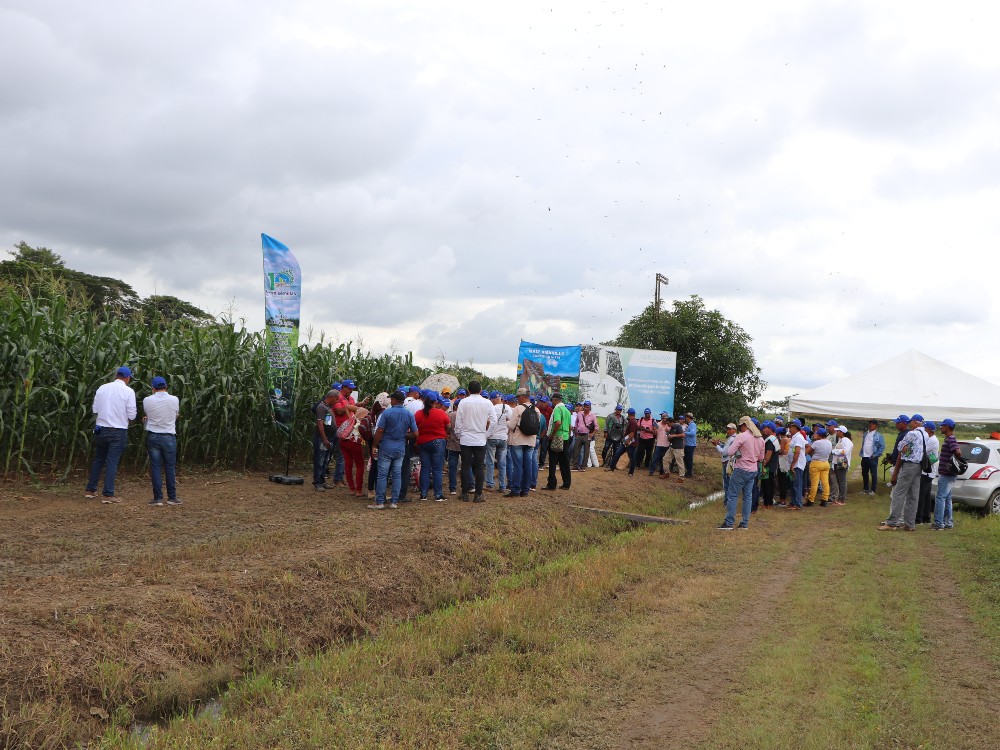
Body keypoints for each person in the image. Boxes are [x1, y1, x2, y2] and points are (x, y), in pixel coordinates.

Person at [85, 366, 137, 503]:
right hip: (118, 430)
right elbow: (132, 415)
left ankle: (91, 490)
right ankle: (108, 494)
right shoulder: (128, 391)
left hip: (100, 428)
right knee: (112, 461)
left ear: (116, 375)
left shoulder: (102, 388)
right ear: (128, 378)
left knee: (98, 459)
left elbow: (95, 408)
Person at [369, 391, 419, 509]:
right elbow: (415, 433)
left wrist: (374, 445)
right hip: (400, 448)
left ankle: (380, 502)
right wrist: (403, 436)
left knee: (382, 475)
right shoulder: (408, 414)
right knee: (397, 475)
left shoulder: (387, 413)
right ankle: (394, 502)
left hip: (387, 447)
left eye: (392, 399)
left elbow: (380, 431)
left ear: (395, 400)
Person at [880, 414, 926, 531]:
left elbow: (900, 447)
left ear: (915, 422)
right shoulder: (924, 433)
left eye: (911, 422)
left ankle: (891, 523)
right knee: (913, 496)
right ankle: (910, 524)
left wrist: (904, 447)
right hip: (918, 466)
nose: (910, 424)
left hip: (909, 465)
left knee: (898, 494)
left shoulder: (912, 433)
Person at [718, 416, 763, 530]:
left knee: (732, 495)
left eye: (740, 426)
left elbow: (730, 451)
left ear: (744, 425)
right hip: (753, 470)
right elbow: (761, 458)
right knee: (747, 496)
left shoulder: (741, 436)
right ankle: (744, 523)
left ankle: (729, 523)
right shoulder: (760, 438)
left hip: (741, 469)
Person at [143, 376, 181, 507]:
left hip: (153, 437)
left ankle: (158, 498)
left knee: (155, 467)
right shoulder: (174, 399)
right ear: (166, 387)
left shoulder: (147, 400)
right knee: (170, 467)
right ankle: (172, 498)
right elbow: (175, 416)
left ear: (153, 388)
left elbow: (148, 415)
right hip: (169, 437)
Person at [455, 380, 494, 502]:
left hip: (466, 438)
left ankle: (465, 493)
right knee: (479, 467)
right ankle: (478, 494)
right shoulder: (487, 403)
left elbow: (458, 422)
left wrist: (459, 435)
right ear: (481, 390)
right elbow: (493, 421)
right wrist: (487, 434)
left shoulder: (463, 402)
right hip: (480, 439)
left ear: (468, 390)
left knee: (465, 466)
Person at [415, 393, 451, 501]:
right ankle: (438, 494)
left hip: (422, 442)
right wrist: (446, 433)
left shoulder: (418, 414)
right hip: (438, 442)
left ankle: (424, 494)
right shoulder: (441, 413)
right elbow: (448, 426)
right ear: (435, 402)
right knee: (437, 469)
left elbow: (414, 427)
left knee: (425, 468)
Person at [505, 388, 536, 497]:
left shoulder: (518, 408)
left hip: (518, 440)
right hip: (531, 441)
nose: (517, 399)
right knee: (528, 466)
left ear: (522, 397)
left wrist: (507, 421)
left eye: (518, 397)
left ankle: (516, 490)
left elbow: (512, 425)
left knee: (517, 466)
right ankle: (525, 490)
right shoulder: (536, 409)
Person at [933, 418, 962, 530]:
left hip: (947, 474)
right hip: (948, 473)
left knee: (940, 498)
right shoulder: (950, 439)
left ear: (948, 427)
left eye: (942, 425)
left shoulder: (951, 439)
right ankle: (948, 523)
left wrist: (954, 461)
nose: (941, 427)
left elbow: (958, 452)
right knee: (947, 498)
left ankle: (939, 523)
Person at [542, 392, 572, 490]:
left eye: (552, 400)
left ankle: (552, 484)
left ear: (555, 400)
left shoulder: (557, 409)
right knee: (564, 461)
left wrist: (552, 435)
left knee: (553, 461)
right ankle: (566, 483)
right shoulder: (567, 410)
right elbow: (569, 426)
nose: (552, 402)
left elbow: (558, 422)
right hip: (566, 437)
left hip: (557, 437)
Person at [312, 390, 339, 491]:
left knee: (325, 460)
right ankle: (317, 482)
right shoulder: (321, 407)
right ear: (331, 397)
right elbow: (320, 424)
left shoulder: (328, 407)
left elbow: (327, 423)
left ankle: (322, 481)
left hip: (329, 437)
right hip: (322, 438)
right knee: (319, 460)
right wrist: (324, 438)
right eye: (336, 399)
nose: (336, 401)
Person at [484, 391, 510, 492]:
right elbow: (511, 420)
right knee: (502, 463)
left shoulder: (492, 408)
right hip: (503, 438)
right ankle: (502, 486)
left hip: (492, 437)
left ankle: (490, 483)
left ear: (493, 399)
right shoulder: (507, 407)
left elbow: (487, 422)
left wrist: (487, 433)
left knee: (490, 462)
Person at [916, 421, 940, 525]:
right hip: (928, 471)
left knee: (921, 495)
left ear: (929, 430)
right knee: (926, 496)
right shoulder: (931, 439)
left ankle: (919, 518)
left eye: (925, 428)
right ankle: (926, 517)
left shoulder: (932, 440)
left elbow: (921, 450)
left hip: (927, 472)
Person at [805, 426, 832, 507]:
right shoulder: (829, 442)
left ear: (819, 435)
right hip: (825, 463)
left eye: (816, 433)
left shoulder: (816, 443)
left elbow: (809, 451)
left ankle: (811, 500)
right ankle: (825, 500)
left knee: (814, 483)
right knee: (825, 483)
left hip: (816, 463)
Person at [858, 419, 885, 496]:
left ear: (876, 426)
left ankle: (873, 490)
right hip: (864, 456)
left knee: (873, 474)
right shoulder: (866, 433)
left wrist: (876, 454)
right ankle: (866, 489)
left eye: (873, 424)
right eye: (870, 424)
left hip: (872, 457)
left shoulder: (879, 435)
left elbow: (882, 446)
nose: (871, 425)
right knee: (864, 473)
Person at [829, 425, 853, 506]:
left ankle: (842, 499)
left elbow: (844, 451)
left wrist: (834, 451)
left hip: (842, 461)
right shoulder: (841, 440)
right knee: (839, 481)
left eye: (838, 431)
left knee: (842, 482)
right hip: (838, 461)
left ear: (842, 432)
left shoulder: (846, 441)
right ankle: (839, 498)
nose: (836, 432)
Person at [786, 420, 807, 510]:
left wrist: (792, 465)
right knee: (793, 484)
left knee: (796, 484)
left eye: (791, 427)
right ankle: (793, 502)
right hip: (793, 464)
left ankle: (798, 504)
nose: (789, 429)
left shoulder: (798, 437)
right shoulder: (795, 437)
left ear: (795, 427)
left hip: (797, 464)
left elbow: (797, 452)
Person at [710, 423, 737, 496]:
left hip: (727, 462)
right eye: (727, 429)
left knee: (726, 483)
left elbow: (724, 452)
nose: (728, 431)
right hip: (731, 462)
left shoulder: (731, 439)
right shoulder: (734, 438)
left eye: (730, 429)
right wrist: (720, 444)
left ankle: (726, 502)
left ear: (734, 430)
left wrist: (716, 445)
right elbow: (727, 448)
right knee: (729, 482)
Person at [573, 401, 598, 471]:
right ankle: (575, 465)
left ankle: (583, 466)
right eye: (585, 406)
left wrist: (592, 434)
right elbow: (576, 422)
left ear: (590, 407)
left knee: (586, 451)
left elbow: (596, 427)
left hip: (587, 435)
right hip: (579, 434)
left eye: (587, 407)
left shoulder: (592, 415)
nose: (586, 408)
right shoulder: (580, 414)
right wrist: (576, 431)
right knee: (576, 450)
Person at [760, 421, 780, 508]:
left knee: (766, 485)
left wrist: (763, 465)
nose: (763, 430)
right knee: (770, 485)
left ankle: (767, 504)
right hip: (772, 466)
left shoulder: (770, 440)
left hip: (768, 466)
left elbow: (768, 453)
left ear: (770, 429)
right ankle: (769, 503)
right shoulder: (774, 438)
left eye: (765, 428)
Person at [648, 413, 673, 477]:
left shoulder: (669, 425)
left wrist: (669, 431)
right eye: (664, 418)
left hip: (667, 445)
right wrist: (654, 431)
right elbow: (654, 432)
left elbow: (672, 434)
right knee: (655, 458)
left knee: (664, 459)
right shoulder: (658, 424)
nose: (666, 420)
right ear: (662, 418)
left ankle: (662, 472)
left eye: (667, 418)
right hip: (659, 444)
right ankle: (651, 471)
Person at [776, 427, 791, 504]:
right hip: (787, 459)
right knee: (784, 479)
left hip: (782, 460)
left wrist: (776, 452)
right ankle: (783, 499)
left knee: (782, 480)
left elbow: (781, 450)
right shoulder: (788, 439)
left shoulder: (783, 439)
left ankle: (782, 499)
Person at [682, 412, 698, 477]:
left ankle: (689, 473)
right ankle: (688, 471)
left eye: (686, 417)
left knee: (689, 459)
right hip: (688, 444)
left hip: (691, 445)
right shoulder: (690, 425)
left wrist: (685, 432)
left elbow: (693, 433)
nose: (685, 418)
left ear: (688, 417)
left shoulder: (692, 425)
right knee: (686, 458)